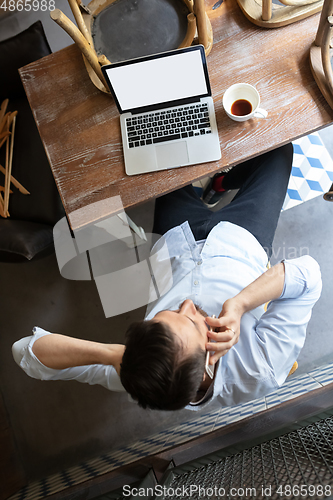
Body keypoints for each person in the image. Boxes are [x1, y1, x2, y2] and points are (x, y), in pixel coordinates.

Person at [12, 144, 322, 412]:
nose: (187, 304)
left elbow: (25, 350)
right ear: (207, 366)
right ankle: (224, 181)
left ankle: (219, 183)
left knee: (164, 157)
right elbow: (308, 276)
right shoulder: (260, 369)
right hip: (242, 239)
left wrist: (117, 355)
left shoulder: (138, 371)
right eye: (189, 320)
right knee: (278, 153)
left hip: (177, 239)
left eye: (168, 312)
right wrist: (240, 304)